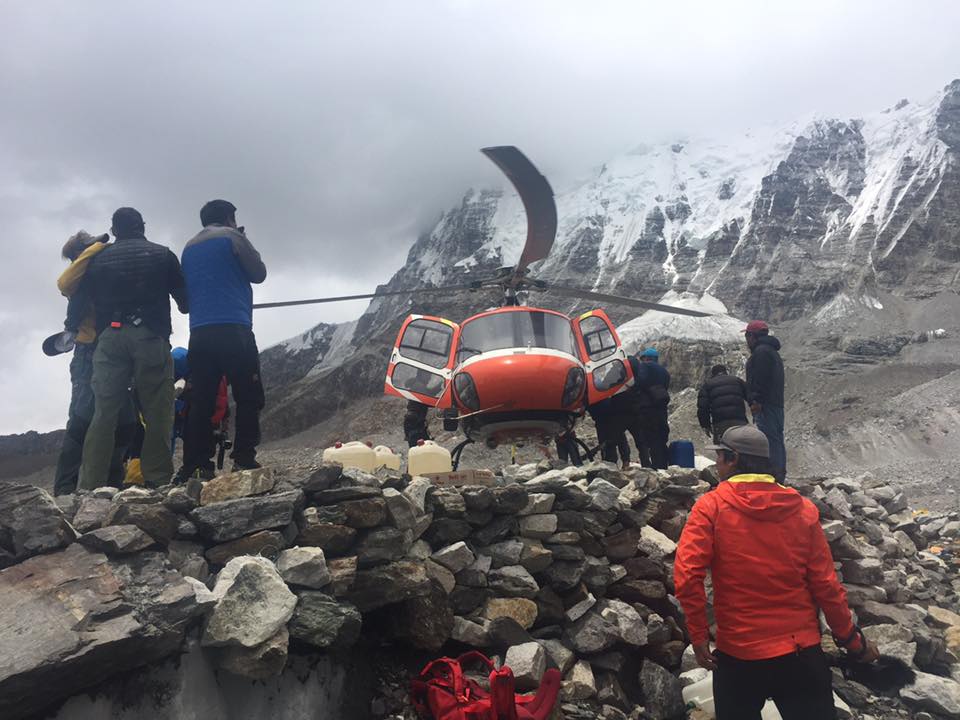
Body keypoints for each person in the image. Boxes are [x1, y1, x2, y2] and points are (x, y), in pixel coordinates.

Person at [674, 425, 879, 719]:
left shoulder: (711, 507)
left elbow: (687, 575)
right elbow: (826, 586)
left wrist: (698, 635)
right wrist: (852, 641)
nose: (716, 463)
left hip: (738, 655)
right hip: (801, 653)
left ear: (732, 459)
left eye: (719, 456)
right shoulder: (803, 509)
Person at [74, 208, 188, 489]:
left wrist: (73, 328)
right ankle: (158, 480)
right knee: (158, 411)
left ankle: (90, 486)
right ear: (142, 227)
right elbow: (185, 302)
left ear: (114, 231)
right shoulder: (163, 255)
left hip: (109, 339)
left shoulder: (98, 261)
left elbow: (79, 303)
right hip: (151, 337)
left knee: (103, 413)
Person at [179, 199, 266, 479]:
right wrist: (243, 237)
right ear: (229, 217)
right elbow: (259, 274)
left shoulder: (188, 247)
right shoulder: (234, 237)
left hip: (200, 333)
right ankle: (243, 458)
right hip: (234, 329)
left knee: (201, 400)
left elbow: (185, 297)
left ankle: (197, 465)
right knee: (248, 395)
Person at [51, 231, 136, 494]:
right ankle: (65, 489)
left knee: (124, 419)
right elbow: (63, 283)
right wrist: (95, 247)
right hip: (88, 354)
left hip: (109, 353)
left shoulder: (98, 275)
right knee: (82, 419)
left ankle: (111, 482)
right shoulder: (78, 278)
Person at [744, 320, 786, 481]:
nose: (747, 340)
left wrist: (756, 400)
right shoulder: (771, 352)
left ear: (752, 336)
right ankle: (779, 475)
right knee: (776, 439)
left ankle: (774, 477)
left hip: (766, 404)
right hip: (775, 403)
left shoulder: (761, 353)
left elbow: (760, 379)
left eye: (747, 336)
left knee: (769, 440)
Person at [623, 347, 671, 469]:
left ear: (646, 358)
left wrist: (631, 389)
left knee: (650, 438)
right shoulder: (664, 372)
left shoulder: (645, 366)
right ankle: (662, 467)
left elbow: (640, 381)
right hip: (661, 409)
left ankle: (654, 468)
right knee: (660, 439)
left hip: (648, 409)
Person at [697, 364, 749, 443]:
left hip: (721, 423)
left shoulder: (707, 385)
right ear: (726, 372)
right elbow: (751, 395)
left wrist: (705, 425)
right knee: (741, 447)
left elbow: (703, 408)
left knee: (721, 448)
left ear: (712, 374)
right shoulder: (737, 380)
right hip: (739, 421)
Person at [588, 398, 631, 469]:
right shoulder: (603, 394)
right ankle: (619, 463)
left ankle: (620, 463)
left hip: (606, 419)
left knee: (616, 440)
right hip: (606, 419)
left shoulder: (595, 396)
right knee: (617, 440)